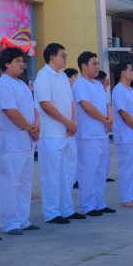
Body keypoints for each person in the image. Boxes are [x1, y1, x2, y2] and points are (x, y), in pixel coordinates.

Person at [0, 47, 39, 235]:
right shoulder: (2, 84)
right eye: (17, 61)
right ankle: (9, 222)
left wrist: (36, 125)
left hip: (27, 140)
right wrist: (30, 127)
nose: (22, 64)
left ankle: (23, 219)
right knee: (10, 183)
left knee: (25, 182)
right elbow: (11, 112)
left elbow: (34, 108)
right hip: (11, 140)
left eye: (23, 61)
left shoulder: (22, 84)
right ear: (6, 64)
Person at [34, 43, 80, 224]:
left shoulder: (62, 76)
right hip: (52, 134)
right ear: (52, 56)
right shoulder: (43, 76)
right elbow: (45, 104)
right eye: (63, 55)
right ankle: (52, 212)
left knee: (68, 174)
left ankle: (67, 209)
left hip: (67, 133)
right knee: (51, 175)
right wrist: (67, 123)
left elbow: (71, 102)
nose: (65, 58)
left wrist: (72, 122)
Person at [72, 51, 114, 216]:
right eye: (94, 64)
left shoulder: (97, 84)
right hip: (88, 134)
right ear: (84, 66)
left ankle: (99, 202)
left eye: (98, 63)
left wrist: (110, 118)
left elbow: (107, 104)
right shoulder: (80, 84)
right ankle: (88, 205)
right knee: (88, 170)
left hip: (102, 133)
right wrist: (104, 119)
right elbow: (86, 106)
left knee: (101, 170)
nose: (97, 67)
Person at [111, 62, 133, 207]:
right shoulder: (118, 90)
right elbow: (123, 113)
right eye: (130, 70)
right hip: (125, 134)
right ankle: (126, 198)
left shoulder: (130, 90)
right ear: (123, 73)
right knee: (127, 167)